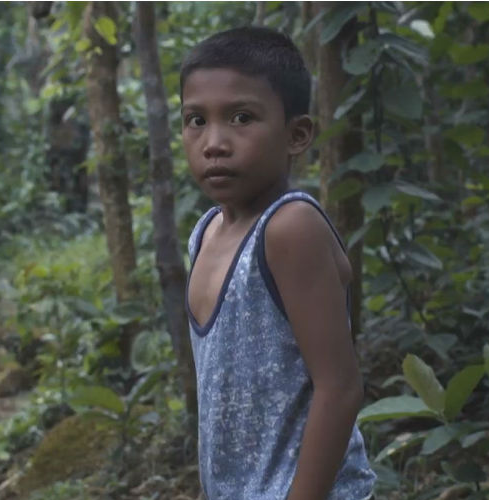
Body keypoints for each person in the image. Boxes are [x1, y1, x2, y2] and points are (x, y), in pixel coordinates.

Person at [180, 26, 376, 500]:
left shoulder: (290, 229)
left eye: (241, 117)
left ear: (297, 134)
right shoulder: (205, 232)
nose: (214, 143)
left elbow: (340, 387)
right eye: (195, 121)